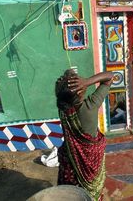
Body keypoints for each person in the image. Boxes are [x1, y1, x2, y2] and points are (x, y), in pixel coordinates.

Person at [55, 69, 113, 200]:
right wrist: (87, 81)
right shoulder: (90, 107)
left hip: (71, 158)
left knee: (71, 192)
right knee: (89, 193)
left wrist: (63, 86)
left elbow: (62, 94)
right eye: (80, 82)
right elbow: (109, 77)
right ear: (81, 91)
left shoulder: (62, 108)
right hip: (90, 162)